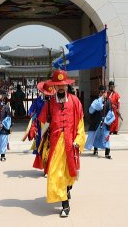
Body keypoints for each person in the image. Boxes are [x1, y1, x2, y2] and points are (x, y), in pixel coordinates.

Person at [37, 70, 86, 218]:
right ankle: (65, 204)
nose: (60, 89)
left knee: (69, 175)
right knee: (56, 173)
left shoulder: (75, 101)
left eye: (63, 86)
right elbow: (43, 122)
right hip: (56, 145)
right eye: (57, 86)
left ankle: (67, 188)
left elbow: (81, 124)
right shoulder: (50, 103)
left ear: (67, 86)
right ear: (54, 87)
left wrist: (79, 140)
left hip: (71, 144)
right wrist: (38, 135)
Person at [23, 80, 55, 171]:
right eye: (46, 93)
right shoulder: (38, 101)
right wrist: (34, 115)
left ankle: (50, 167)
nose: (47, 95)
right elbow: (31, 111)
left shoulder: (54, 100)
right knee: (42, 145)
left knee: (51, 145)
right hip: (41, 126)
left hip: (52, 125)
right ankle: (45, 167)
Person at [85, 85, 116, 159]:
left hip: (105, 122)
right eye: (102, 92)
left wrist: (107, 120)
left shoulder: (109, 101)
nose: (103, 93)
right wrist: (100, 100)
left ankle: (107, 153)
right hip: (97, 121)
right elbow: (91, 110)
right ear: (99, 92)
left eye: (104, 92)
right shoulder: (96, 101)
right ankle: (95, 150)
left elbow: (111, 112)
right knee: (96, 136)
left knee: (106, 137)